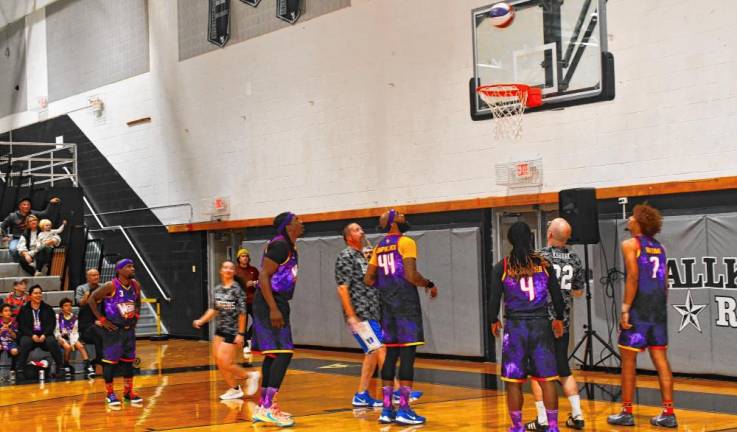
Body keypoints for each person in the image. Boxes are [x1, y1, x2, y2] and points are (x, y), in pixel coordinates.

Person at [489, 221, 566, 432]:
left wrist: (493, 320)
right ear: (531, 239)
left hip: (515, 328)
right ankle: (552, 427)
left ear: (510, 240)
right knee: (547, 379)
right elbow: (557, 296)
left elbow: (494, 298)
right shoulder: (544, 264)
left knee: (513, 381)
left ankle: (517, 427)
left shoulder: (502, 267)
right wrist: (559, 318)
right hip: (541, 325)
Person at [364, 209, 437, 426]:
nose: (405, 217)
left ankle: (387, 410)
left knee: (390, 356)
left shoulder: (379, 246)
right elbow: (411, 275)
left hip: (387, 307)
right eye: (401, 215)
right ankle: (404, 409)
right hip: (405, 305)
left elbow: (368, 279)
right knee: (406, 357)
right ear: (393, 223)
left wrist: (386, 287)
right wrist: (429, 284)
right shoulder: (406, 242)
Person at [608, 204, 677, 428]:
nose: (628, 218)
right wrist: (658, 306)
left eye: (632, 216)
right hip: (657, 309)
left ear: (638, 222)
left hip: (639, 309)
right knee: (661, 361)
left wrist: (626, 307)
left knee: (628, 361)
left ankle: (626, 411)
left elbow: (633, 278)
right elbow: (665, 283)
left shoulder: (630, 244)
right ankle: (668, 412)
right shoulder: (661, 247)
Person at [525, 218, 585, 431]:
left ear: (549, 234)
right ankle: (577, 415)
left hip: (541, 321)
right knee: (563, 369)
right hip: (564, 321)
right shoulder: (575, 259)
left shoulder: (538, 256)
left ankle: (542, 419)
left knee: (537, 371)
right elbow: (578, 292)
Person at [251, 212, 304, 427]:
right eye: (298, 220)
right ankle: (270, 407)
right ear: (289, 226)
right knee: (284, 352)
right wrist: (273, 308)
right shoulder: (280, 245)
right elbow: (263, 276)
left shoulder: (288, 245)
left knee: (273, 355)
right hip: (270, 301)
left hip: (274, 300)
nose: (302, 223)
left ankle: (263, 406)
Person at [193, 261, 259, 400]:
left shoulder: (237, 290)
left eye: (231, 268)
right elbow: (214, 309)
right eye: (225, 267)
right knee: (219, 361)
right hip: (220, 329)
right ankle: (235, 389)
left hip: (233, 330)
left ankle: (250, 376)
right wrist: (201, 320)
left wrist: (241, 334)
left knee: (225, 362)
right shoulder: (217, 289)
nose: (228, 269)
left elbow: (242, 313)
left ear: (234, 272)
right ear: (221, 271)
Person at [335, 222, 385, 408]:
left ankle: (361, 395)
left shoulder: (363, 256)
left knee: (371, 352)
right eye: (357, 230)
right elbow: (342, 288)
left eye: (361, 228)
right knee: (380, 348)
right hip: (360, 314)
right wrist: (351, 316)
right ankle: (397, 391)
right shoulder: (345, 256)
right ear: (349, 237)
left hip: (372, 311)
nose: (362, 231)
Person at [88, 259, 143, 407]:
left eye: (132, 266)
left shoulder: (135, 285)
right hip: (113, 331)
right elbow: (92, 299)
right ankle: (110, 393)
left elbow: (138, 301)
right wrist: (102, 319)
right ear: (119, 270)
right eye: (128, 267)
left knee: (129, 363)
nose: (132, 269)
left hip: (129, 331)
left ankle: (128, 392)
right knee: (110, 364)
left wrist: (136, 315)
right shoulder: (110, 285)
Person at [16, 285, 64, 380]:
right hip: (30, 335)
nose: (38, 295)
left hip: (44, 335)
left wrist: (44, 335)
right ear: (30, 296)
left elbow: (52, 324)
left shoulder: (48, 308)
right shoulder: (24, 309)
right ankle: (20, 370)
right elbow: (21, 325)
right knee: (25, 342)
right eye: (35, 293)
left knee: (52, 341)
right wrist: (31, 335)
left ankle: (61, 367)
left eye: (39, 293)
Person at [1, 196, 61, 262]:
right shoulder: (12, 216)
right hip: (18, 238)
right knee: (13, 249)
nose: (26, 206)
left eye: (28, 204)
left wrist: (51, 203)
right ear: (20, 206)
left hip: (32, 237)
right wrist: (5, 235)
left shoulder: (33, 213)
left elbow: (45, 214)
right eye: (24, 204)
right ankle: (20, 262)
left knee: (45, 247)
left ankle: (38, 264)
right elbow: (2, 226)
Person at [55, 297, 93, 377]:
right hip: (60, 338)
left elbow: (75, 332)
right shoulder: (58, 317)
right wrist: (59, 338)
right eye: (66, 305)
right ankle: (66, 364)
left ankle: (88, 366)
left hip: (72, 337)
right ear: (61, 308)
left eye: (70, 305)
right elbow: (56, 330)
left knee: (81, 346)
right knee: (67, 347)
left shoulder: (75, 318)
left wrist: (73, 342)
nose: (68, 307)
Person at [76, 269, 104, 371]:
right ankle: (100, 360)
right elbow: (80, 304)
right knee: (97, 331)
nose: (96, 277)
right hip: (87, 328)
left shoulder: (104, 293)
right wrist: (94, 322)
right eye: (93, 275)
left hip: (101, 326)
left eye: (97, 275)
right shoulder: (86, 303)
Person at [234, 248, 259, 355]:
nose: (245, 258)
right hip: (241, 301)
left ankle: (248, 337)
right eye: (242, 256)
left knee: (259, 321)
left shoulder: (254, 270)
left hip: (253, 299)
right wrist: (244, 285)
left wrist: (254, 283)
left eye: (246, 256)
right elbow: (233, 286)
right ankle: (245, 346)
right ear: (239, 258)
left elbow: (261, 282)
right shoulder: (235, 271)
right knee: (242, 324)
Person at [0, 303, 19, 380]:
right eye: (5, 311)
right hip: (1, 342)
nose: (8, 312)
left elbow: (16, 337)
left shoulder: (14, 323)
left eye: (9, 311)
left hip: (11, 343)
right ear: (1, 313)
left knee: (15, 351)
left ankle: (13, 370)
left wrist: (10, 331)